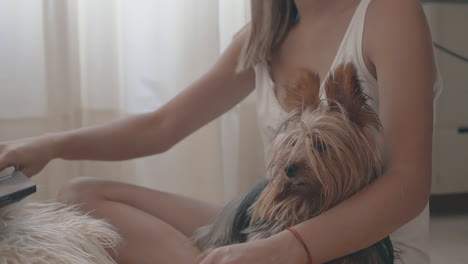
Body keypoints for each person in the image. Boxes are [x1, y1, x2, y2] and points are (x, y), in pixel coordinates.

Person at [0, 0, 441, 263]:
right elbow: (162, 126)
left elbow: (407, 186)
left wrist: (280, 252)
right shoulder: (265, 35)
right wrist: (46, 145)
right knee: (81, 197)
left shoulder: (389, 14)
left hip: (366, 249)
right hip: (275, 223)